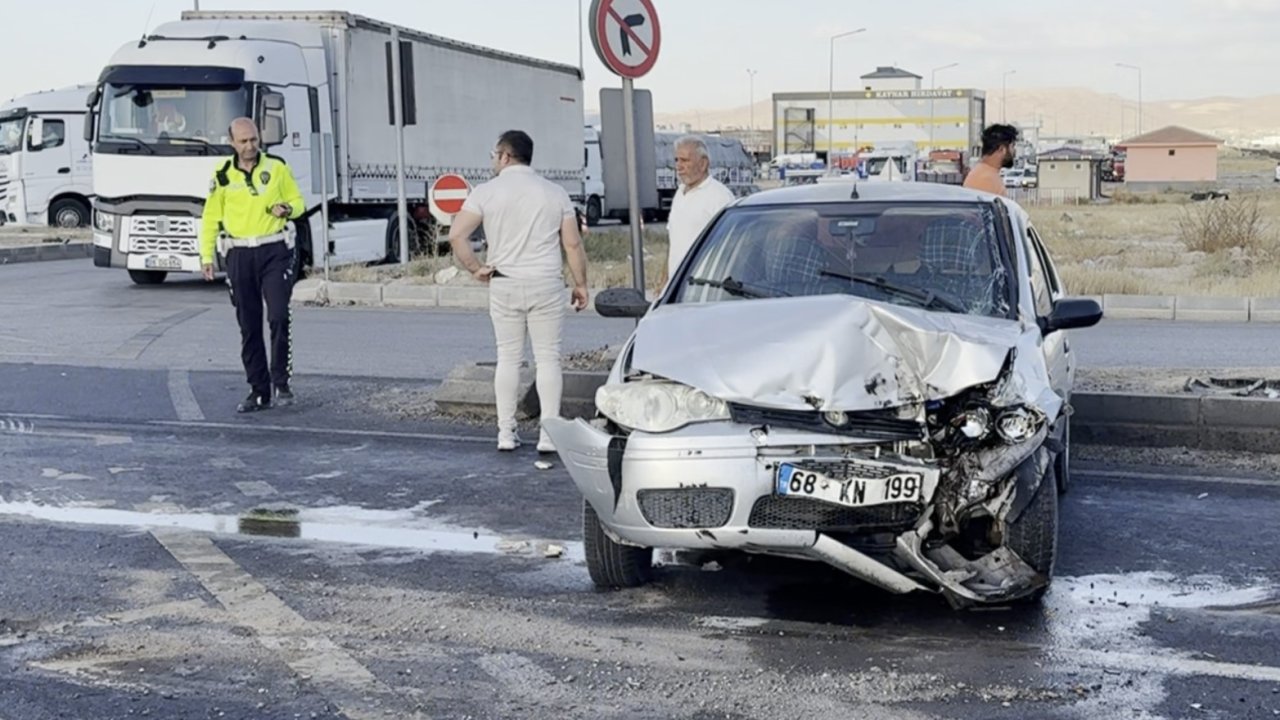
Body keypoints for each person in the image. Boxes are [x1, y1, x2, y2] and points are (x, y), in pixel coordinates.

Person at [448, 130, 590, 453]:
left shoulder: (486, 192)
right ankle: (548, 434)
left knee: (508, 358)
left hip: (504, 282)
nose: (493, 160)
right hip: (546, 283)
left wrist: (475, 268)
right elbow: (571, 243)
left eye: (494, 155)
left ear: (506, 156)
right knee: (548, 359)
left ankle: (505, 433)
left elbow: (457, 235)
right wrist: (581, 284)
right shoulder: (555, 193)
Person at [199, 117, 305, 413]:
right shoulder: (221, 175)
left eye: (254, 140)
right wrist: (206, 256)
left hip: (274, 249)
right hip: (239, 253)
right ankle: (259, 391)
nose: (250, 146)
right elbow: (210, 218)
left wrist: (288, 208)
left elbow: (299, 201)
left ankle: (281, 381)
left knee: (278, 315)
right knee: (249, 324)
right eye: (243, 141)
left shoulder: (276, 167)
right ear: (232, 142)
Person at [660, 135, 736, 287]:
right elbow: (673, 239)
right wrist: (665, 275)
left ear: (703, 164)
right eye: (677, 160)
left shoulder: (719, 197)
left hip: (704, 285)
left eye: (685, 160)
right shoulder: (680, 193)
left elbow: (730, 246)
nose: (678, 166)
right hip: (677, 286)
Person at [963, 123, 1020, 197]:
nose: (1014, 152)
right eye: (1012, 146)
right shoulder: (986, 180)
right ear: (1002, 149)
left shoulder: (984, 174)